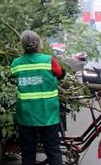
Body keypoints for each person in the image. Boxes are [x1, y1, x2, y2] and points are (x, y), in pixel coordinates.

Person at [10, 30, 66, 165]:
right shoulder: (48, 60)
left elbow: (11, 78)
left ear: (22, 45)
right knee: (53, 150)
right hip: (48, 114)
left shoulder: (16, 63)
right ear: (38, 44)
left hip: (26, 115)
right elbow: (60, 74)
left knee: (28, 151)